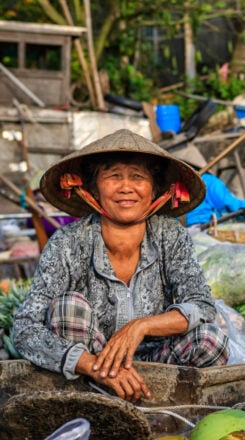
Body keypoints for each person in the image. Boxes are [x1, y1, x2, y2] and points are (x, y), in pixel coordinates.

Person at [12, 129, 230, 403]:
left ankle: (162, 404)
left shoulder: (170, 235)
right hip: (91, 372)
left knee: (211, 339)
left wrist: (140, 327)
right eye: (113, 176)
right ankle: (94, 406)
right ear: (93, 190)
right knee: (69, 307)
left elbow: (202, 305)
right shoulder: (68, 242)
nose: (126, 187)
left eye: (138, 177)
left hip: (157, 364)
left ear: (154, 190)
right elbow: (24, 327)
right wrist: (93, 365)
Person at [170, 143, 245, 227]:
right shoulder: (206, 179)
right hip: (205, 227)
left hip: (180, 230)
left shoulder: (171, 185)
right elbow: (225, 201)